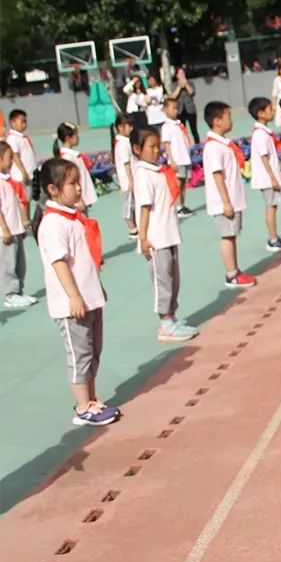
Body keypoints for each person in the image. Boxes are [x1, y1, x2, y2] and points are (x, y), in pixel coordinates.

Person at [36, 157, 121, 426]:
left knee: (94, 350)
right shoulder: (53, 223)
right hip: (72, 305)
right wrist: (74, 296)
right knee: (79, 354)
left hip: (90, 298)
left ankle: (93, 398)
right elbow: (59, 263)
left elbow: (85, 261)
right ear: (53, 189)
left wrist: (97, 287)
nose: (79, 188)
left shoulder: (74, 218)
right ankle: (83, 406)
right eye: (72, 184)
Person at [132, 126, 199, 343]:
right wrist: (143, 238)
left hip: (169, 233)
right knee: (163, 280)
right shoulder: (143, 175)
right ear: (137, 149)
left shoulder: (158, 171)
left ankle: (172, 316)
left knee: (173, 278)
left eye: (157, 145)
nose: (157, 150)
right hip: (156, 238)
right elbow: (143, 208)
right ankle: (165, 323)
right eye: (151, 147)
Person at [202, 101, 256, 289]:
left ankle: (235, 270)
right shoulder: (213, 148)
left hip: (232, 199)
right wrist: (226, 202)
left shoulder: (223, 144)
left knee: (232, 235)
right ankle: (231, 274)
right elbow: (217, 176)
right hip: (225, 202)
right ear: (217, 121)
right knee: (227, 236)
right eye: (228, 117)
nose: (230, 120)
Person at [0, 140, 36, 309]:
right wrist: (5, 229)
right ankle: (11, 294)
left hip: (16, 228)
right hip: (6, 232)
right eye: (9, 158)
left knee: (20, 263)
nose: (12, 161)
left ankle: (20, 291)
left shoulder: (11, 181)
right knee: (8, 264)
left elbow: (20, 202)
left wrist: (23, 223)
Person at [248, 96, 281, 251]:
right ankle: (272, 239)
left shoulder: (264, 132)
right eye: (270, 109)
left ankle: (274, 237)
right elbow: (264, 157)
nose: (274, 111)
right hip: (267, 178)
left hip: (270, 176)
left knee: (273, 206)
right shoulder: (260, 134)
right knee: (270, 206)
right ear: (261, 113)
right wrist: (272, 177)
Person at [160, 97, 195, 218]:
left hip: (185, 157)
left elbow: (184, 137)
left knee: (184, 182)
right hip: (177, 159)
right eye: (173, 108)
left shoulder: (178, 124)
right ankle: (178, 206)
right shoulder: (166, 126)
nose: (176, 111)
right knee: (178, 182)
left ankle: (183, 205)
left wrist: (189, 140)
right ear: (165, 109)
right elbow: (167, 144)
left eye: (177, 108)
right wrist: (172, 159)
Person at [54, 122, 97, 212]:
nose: (78, 137)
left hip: (81, 196)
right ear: (68, 138)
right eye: (76, 134)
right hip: (77, 199)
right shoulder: (67, 157)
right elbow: (70, 179)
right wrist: (79, 199)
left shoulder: (72, 155)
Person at [113, 113, 138, 238]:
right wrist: (130, 180)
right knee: (128, 205)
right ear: (120, 127)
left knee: (133, 203)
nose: (131, 128)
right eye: (129, 125)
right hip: (127, 180)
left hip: (132, 177)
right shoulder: (121, 144)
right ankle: (132, 229)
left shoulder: (126, 142)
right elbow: (126, 163)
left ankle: (135, 226)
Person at [5, 109, 37, 186]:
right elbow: (15, 156)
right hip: (21, 177)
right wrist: (23, 173)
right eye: (22, 122)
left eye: (25, 122)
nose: (24, 124)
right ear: (13, 123)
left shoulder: (22, 137)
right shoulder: (12, 138)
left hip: (30, 176)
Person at [171, 67, 200, 144]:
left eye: (183, 73)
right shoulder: (174, 85)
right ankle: (186, 144)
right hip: (180, 110)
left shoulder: (190, 83)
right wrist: (179, 86)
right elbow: (173, 96)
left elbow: (192, 92)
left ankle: (198, 145)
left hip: (190, 109)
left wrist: (186, 84)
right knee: (182, 130)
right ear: (177, 75)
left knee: (194, 129)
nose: (181, 75)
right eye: (180, 73)